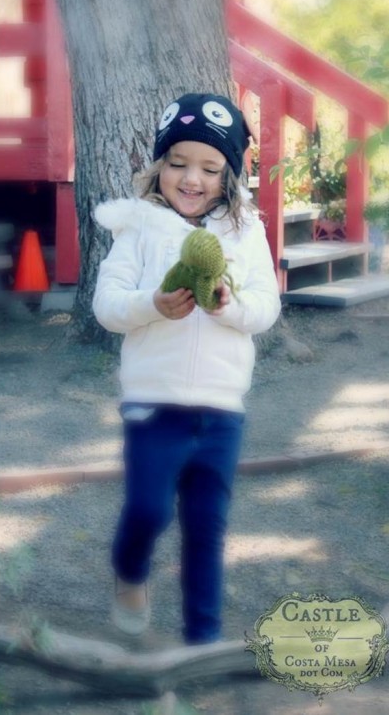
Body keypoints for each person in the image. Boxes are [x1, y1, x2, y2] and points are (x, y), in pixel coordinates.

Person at [92, 92, 282, 644]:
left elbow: (265, 307)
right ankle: (130, 574)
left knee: (206, 527)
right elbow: (108, 306)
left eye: (209, 167)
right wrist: (153, 303)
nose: (191, 178)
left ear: (230, 175)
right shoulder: (139, 226)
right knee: (149, 509)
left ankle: (203, 637)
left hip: (222, 407)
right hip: (154, 404)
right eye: (177, 163)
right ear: (159, 166)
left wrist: (229, 306)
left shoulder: (246, 232)